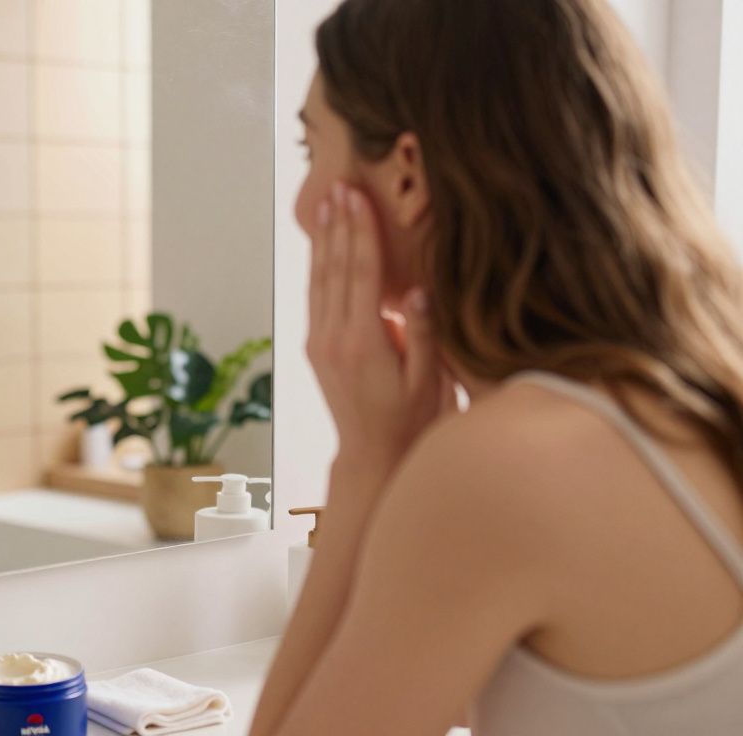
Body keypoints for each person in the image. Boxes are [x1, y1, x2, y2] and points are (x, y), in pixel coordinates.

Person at [250, 0, 743, 733]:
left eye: (309, 149)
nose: (301, 206)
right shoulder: (696, 380)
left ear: (408, 176)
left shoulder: (507, 466)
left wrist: (367, 464)